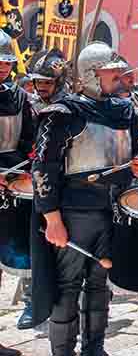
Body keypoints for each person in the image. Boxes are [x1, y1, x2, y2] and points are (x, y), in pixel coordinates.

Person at [29, 43, 138, 356]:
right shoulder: (62, 114)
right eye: (112, 72)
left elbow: (129, 158)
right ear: (92, 74)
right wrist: (52, 218)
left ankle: (95, 348)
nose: (120, 77)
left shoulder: (125, 111)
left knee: (99, 286)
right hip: (73, 211)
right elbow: (43, 169)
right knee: (67, 286)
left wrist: (137, 167)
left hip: (110, 210)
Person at [0, 34, 38, 348]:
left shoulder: (20, 98)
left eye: (6, 61)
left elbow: (29, 144)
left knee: (11, 256)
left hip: (10, 185)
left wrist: (19, 171)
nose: (3, 66)